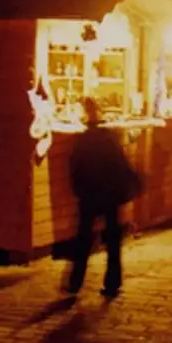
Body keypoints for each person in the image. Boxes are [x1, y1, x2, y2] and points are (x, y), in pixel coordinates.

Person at [66, 98, 139, 299]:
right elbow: (121, 166)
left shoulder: (82, 141)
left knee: (83, 237)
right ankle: (113, 282)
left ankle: (75, 281)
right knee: (113, 239)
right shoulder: (110, 139)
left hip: (89, 194)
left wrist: (79, 191)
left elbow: (74, 170)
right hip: (109, 194)